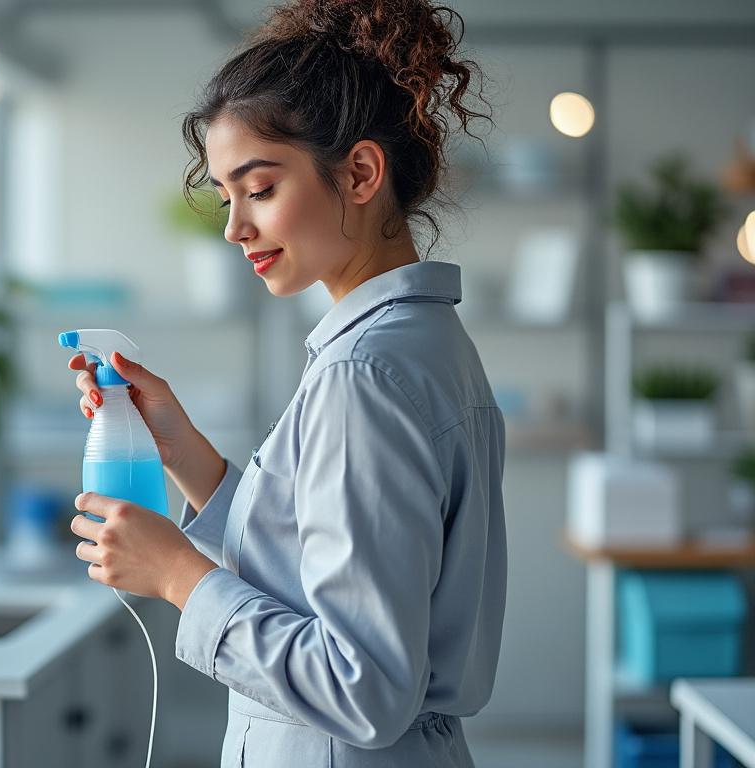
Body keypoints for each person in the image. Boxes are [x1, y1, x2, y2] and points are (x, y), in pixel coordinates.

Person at [68, 0, 507, 764]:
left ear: (361, 173)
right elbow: (314, 562)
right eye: (226, 197)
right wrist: (181, 448)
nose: (234, 227)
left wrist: (179, 576)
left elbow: (363, 687)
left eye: (261, 189)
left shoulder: (364, 375)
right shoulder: (419, 343)